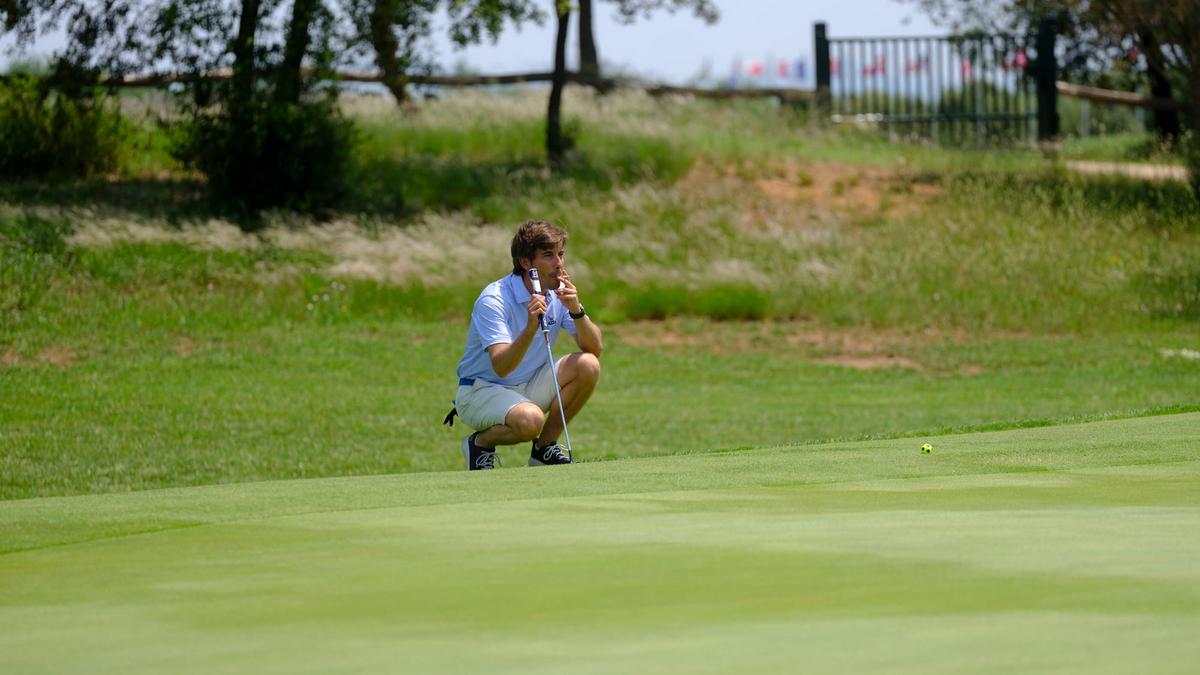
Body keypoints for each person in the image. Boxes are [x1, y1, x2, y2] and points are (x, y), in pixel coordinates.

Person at [448, 220, 603, 470]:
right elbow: (502, 367)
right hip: (481, 391)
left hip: (528, 386)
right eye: (548, 256)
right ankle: (480, 443)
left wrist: (576, 310)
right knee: (530, 420)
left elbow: (595, 349)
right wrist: (530, 329)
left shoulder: (557, 292)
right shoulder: (494, 299)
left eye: (561, 254)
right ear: (525, 262)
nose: (559, 264)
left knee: (588, 365)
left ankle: (544, 449)